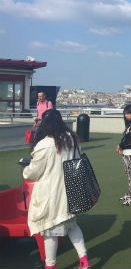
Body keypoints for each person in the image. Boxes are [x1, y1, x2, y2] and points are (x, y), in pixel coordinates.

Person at [23, 109, 90, 269]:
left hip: (51, 194)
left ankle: (50, 266)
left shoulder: (45, 144)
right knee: (73, 225)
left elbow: (33, 172)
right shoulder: (72, 139)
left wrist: (26, 169)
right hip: (71, 191)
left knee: (50, 231)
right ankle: (84, 261)